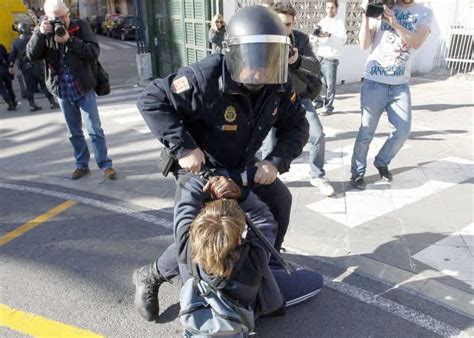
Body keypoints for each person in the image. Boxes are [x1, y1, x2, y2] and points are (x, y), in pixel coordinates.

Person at [133, 5, 310, 321]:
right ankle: (152, 275)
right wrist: (183, 147)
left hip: (243, 164)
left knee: (280, 199)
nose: (260, 70)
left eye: (269, 58)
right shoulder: (203, 78)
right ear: (234, 52)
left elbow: (298, 125)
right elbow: (151, 99)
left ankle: (261, 270)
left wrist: (275, 161)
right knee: (205, 232)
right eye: (254, 58)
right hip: (202, 168)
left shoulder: (278, 83)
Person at [27, 0, 116, 180]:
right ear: (47, 18)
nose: (60, 21)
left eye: (63, 17)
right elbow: (32, 56)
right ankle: (81, 165)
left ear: (68, 14)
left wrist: (70, 40)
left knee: (94, 130)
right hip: (62, 90)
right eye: (55, 18)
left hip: (83, 87)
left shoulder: (81, 26)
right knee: (74, 132)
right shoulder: (43, 31)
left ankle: (105, 165)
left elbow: (93, 52)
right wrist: (39, 34)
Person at [350, 0, 432, 190]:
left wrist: (393, 22)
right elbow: (363, 44)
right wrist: (366, 13)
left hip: (400, 85)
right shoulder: (383, 4)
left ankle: (381, 161)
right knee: (366, 132)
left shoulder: (425, 12)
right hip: (374, 82)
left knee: (402, 131)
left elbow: (416, 42)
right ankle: (357, 173)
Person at [261, 2, 334, 196]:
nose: (284, 29)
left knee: (317, 135)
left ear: (293, 24)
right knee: (269, 144)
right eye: (280, 23)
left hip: (298, 97)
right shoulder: (262, 38)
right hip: (270, 99)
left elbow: (316, 67)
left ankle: (317, 175)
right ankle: (268, 180)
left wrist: (297, 59)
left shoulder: (300, 39)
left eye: (288, 24)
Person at [9, 22, 59, 112]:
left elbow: (12, 56)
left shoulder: (16, 42)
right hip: (37, 65)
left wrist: (11, 65)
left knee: (29, 87)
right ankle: (52, 102)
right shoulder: (34, 38)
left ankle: (32, 105)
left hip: (26, 67)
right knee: (44, 85)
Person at [312, 0, 346, 116]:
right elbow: (316, 38)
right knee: (313, 80)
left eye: (332, 7)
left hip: (331, 59)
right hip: (320, 56)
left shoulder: (339, 23)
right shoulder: (322, 21)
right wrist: (315, 37)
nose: (329, 10)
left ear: (336, 8)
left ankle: (329, 108)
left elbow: (343, 40)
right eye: (327, 7)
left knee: (330, 86)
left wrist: (330, 35)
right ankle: (318, 102)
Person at [0, 44, 17, 111]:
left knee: (2, 89)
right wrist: (10, 66)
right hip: (4, 69)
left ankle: (10, 104)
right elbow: (7, 57)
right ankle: (13, 101)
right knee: (9, 87)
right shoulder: (1, 46)